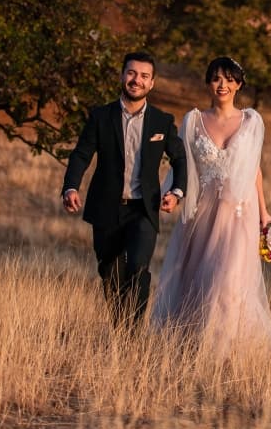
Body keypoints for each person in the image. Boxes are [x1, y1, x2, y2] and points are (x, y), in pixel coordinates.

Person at [152, 56, 271, 356]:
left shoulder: (251, 121)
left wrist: (264, 213)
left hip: (238, 213)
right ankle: (191, 344)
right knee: (198, 277)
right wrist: (172, 194)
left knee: (230, 280)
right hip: (202, 211)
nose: (223, 85)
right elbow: (181, 166)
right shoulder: (193, 120)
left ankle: (224, 350)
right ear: (208, 82)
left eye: (229, 79)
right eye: (216, 78)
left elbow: (254, 170)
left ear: (239, 84)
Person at [61, 52, 188, 327]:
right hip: (106, 207)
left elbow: (179, 158)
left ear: (152, 83)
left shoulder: (161, 121)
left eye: (144, 76)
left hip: (143, 209)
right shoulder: (100, 116)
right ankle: (122, 328)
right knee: (110, 273)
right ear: (122, 76)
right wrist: (71, 186)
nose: (136, 80)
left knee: (139, 269)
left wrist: (177, 192)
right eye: (131, 73)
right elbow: (82, 154)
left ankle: (132, 335)